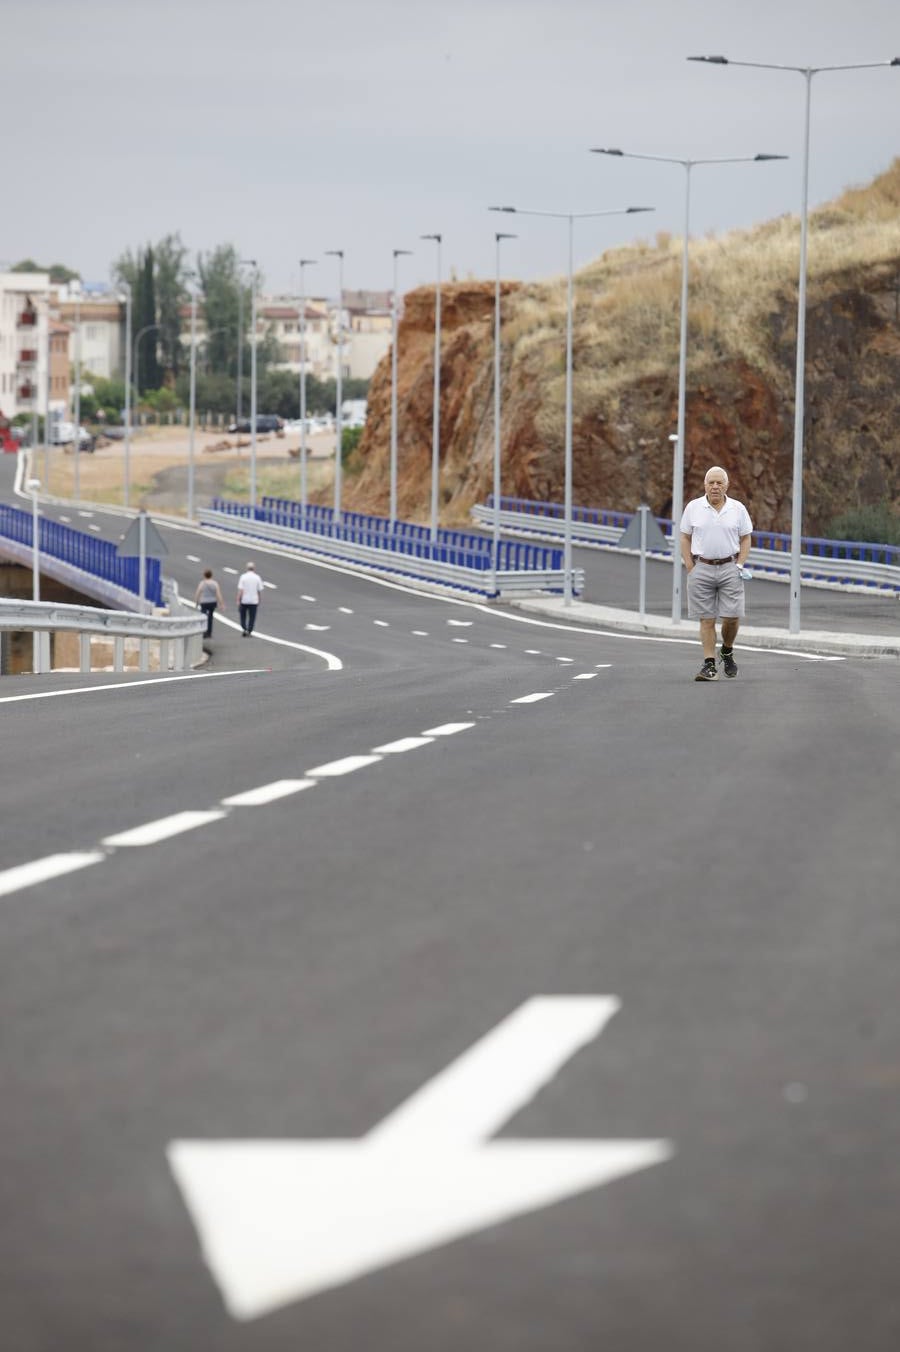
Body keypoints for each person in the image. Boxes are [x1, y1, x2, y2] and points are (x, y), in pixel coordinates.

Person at [680, 466, 753, 681]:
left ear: (726, 486)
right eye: (711, 482)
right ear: (704, 485)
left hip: (730, 566)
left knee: (731, 617)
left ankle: (727, 650)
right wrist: (689, 567)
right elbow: (685, 536)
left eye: (719, 483)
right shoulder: (694, 507)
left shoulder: (738, 509)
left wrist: (739, 565)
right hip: (701, 567)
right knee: (707, 619)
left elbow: (746, 537)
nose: (714, 487)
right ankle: (709, 665)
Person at [193, 568, 225, 639]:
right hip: (212, 602)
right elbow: (218, 594)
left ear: (204, 575)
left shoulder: (202, 583)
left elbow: (198, 593)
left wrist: (196, 602)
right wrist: (221, 604)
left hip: (204, 602)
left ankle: (204, 631)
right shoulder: (215, 583)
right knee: (210, 617)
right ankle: (209, 632)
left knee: (203, 616)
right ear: (211, 575)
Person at [236, 561, 264, 636]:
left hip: (244, 600)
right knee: (252, 617)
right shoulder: (257, 577)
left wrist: (238, 599)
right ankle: (249, 630)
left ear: (247, 568)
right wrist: (259, 599)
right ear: (254, 568)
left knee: (243, 616)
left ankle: (244, 628)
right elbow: (259, 590)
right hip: (254, 601)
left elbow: (241, 590)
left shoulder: (243, 577)